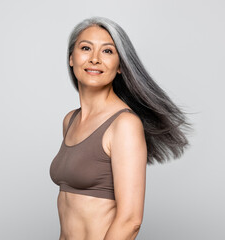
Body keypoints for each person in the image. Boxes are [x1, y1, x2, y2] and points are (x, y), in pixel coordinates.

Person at [50, 16, 191, 240]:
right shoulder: (70, 121)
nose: (94, 59)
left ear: (120, 67)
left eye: (107, 51)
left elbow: (130, 221)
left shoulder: (124, 125)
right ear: (71, 58)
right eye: (86, 48)